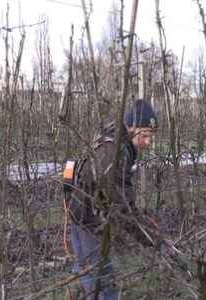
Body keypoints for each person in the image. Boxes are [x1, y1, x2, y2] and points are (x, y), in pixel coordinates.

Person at [65, 99, 162, 299]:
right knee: (103, 283)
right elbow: (122, 207)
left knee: (87, 272)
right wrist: (151, 237)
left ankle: (79, 291)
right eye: (144, 135)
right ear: (131, 127)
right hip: (88, 220)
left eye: (151, 136)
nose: (148, 142)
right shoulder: (114, 152)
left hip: (82, 213)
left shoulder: (116, 141)